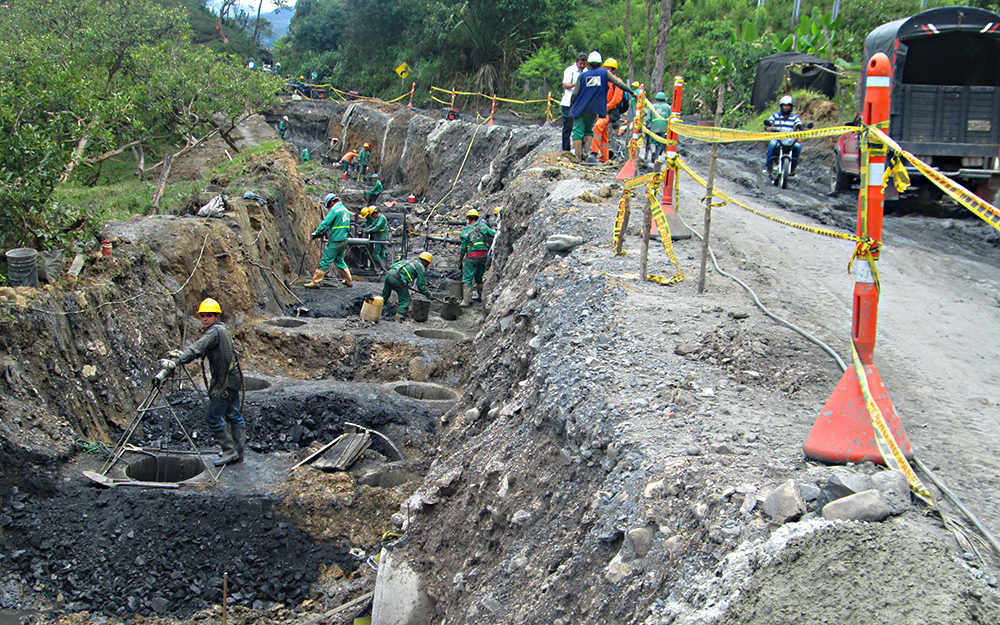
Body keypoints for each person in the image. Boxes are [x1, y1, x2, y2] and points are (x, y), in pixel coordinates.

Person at [158, 298, 245, 466]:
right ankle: (238, 452)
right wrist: (182, 355)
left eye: (209, 316)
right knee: (234, 415)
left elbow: (197, 347)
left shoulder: (214, 332)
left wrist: (177, 361)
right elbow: (201, 350)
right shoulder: (222, 329)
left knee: (213, 417)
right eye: (203, 316)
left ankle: (229, 451)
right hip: (233, 379)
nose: (205, 319)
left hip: (225, 382)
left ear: (216, 316)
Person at [569, 51, 635, 163]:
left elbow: (575, 93)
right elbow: (620, 84)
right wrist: (632, 92)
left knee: (578, 131)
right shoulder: (605, 74)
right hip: (593, 109)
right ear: (600, 64)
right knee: (589, 130)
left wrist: (572, 106)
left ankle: (581, 157)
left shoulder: (583, 75)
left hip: (582, 107)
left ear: (589, 63)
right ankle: (587, 155)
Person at [305, 193, 353, 288]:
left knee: (325, 260)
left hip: (335, 240)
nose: (330, 207)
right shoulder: (345, 210)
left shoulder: (335, 210)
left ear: (331, 202)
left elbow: (326, 222)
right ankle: (349, 280)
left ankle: (315, 281)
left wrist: (317, 232)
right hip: (344, 240)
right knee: (339, 260)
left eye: (329, 205)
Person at [458, 208, 496, 306]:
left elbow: (463, 249)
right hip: (483, 256)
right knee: (479, 276)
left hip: (472, 256)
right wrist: (493, 228)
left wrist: (460, 260)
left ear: (468, 219)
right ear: (477, 218)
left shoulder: (466, 231)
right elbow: (494, 234)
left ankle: (466, 301)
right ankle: (480, 296)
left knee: (467, 278)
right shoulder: (483, 226)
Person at [591, 58, 625, 163]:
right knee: (604, 133)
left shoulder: (617, 82)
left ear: (613, 70)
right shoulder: (605, 82)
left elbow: (616, 100)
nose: (605, 71)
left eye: (608, 69)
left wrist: (605, 108)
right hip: (602, 111)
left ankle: (594, 153)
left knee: (597, 127)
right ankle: (604, 158)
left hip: (610, 111)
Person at [383, 252, 434, 323]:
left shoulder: (410, 260)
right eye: (428, 263)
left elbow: (393, 266)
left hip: (389, 274)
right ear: (424, 261)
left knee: (384, 296)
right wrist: (428, 294)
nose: (427, 266)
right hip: (397, 278)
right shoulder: (421, 267)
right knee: (406, 300)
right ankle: (399, 320)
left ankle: (377, 310)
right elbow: (421, 286)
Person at [764, 95, 804, 175]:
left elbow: (799, 125)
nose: (786, 107)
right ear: (781, 106)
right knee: (772, 144)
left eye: (788, 105)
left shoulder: (795, 117)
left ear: (791, 107)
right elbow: (769, 123)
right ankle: (768, 167)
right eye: (784, 105)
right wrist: (768, 127)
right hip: (777, 138)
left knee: (798, 146)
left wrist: (802, 129)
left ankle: (793, 168)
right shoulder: (775, 115)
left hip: (790, 139)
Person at [560, 52, 587, 153]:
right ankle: (565, 150)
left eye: (584, 64)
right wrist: (577, 84)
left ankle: (581, 151)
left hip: (581, 104)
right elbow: (565, 85)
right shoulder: (570, 70)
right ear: (576, 62)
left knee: (581, 127)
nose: (582, 66)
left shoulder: (587, 71)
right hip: (568, 103)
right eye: (580, 63)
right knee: (567, 127)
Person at [644, 92, 671, 163]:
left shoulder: (652, 106)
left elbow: (648, 118)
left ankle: (653, 151)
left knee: (653, 141)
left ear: (656, 99)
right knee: (660, 142)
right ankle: (656, 157)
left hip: (654, 127)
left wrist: (645, 125)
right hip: (664, 127)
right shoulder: (668, 107)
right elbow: (671, 118)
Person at [361, 205, 388, 270]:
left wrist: (367, 231)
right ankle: (380, 268)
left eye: (372, 215)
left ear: (375, 213)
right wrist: (366, 229)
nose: (372, 217)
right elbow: (373, 225)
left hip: (381, 239)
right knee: (380, 254)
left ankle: (383, 269)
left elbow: (376, 227)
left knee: (376, 254)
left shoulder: (382, 218)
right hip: (379, 238)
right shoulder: (378, 218)